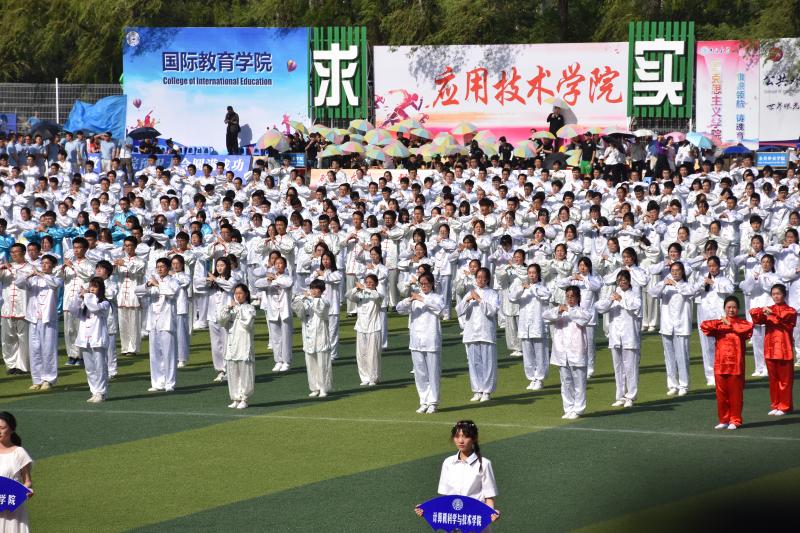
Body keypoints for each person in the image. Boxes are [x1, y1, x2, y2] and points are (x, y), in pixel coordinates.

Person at [414, 420, 500, 523]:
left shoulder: (484, 464)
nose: (460, 441)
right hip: (454, 521)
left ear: (474, 438)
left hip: (475, 520)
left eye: (465, 436)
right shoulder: (448, 462)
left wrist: (492, 513)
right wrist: (426, 509)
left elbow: (489, 497)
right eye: (457, 436)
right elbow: (446, 499)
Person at [700, 295, 753, 429]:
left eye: (734, 307)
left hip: (736, 364)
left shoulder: (743, 323)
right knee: (721, 394)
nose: (731, 310)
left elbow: (747, 329)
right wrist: (720, 322)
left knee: (735, 394)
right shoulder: (719, 323)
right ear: (724, 308)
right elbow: (704, 326)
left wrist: (730, 325)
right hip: (720, 363)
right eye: (729, 307)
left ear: (738, 309)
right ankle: (724, 419)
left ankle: (735, 420)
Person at [396, 272, 445, 413]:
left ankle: (433, 402)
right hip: (416, 340)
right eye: (421, 284)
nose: (423, 286)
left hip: (431, 340)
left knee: (433, 373)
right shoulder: (415, 298)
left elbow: (440, 310)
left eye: (426, 284)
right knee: (420, 373)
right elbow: (399, 309)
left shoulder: (437, 297)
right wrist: (409, 300)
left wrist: (422, 299)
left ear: (432, 284)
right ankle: (424, 401)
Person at [543, 285, 593, 419]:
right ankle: (569, 407)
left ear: (578, 298)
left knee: (579, 382)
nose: (570, 299)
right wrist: (558, 311)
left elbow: (584, 320)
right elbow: (545, 316)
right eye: (568, 297)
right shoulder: (560, 310)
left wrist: (569, 310)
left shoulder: (582, 311)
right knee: (566, 382)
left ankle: (578, 409)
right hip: (561, 352)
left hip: (577, 351)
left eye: (573, 297)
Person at [648, 261, 696, 396]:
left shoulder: (686, 285)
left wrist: (675, 284)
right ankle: (672, 384)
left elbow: (691, 292)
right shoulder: (665, 285)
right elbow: (652, 293)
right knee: (669, 357)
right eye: (672, 271)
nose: (675, 273)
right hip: (667, 325)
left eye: (677, 270)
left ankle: (684, 385)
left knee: (682, 356)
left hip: (681, 326)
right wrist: (663, 284)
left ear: (682, 272)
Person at [596, 270, 642, 407]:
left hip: (629, 335)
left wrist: (621, 299)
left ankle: (630, 396)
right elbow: (600, 308)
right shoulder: (613, 294)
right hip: (615, 336)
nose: (621, 283)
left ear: (629, 281)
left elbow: (635, 307)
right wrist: (611, 300)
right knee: (618, 367)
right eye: (619, 280)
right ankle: (620, 395)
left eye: (624, 280)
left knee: (630, 367)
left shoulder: (634, 294)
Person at [750, 284, 797, 416]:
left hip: (784, 349)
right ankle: (776, 404)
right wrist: (762, 311)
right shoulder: (769, 309)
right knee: (773, 379)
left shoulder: (791, 311)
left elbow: (786, 321)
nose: (776, 296)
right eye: (773, 294)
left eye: (778, 293)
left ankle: (785, 406)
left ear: (784, 295)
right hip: (770, 348)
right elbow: (754, 315)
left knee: (785, 380)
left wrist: (772, 313)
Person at [17, 254, 62, 391]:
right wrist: (29, 275)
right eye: (42, 263)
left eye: (47, 263)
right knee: (35, 349)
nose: (44, 265)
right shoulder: (33, 279)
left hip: (48, 319)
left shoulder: (56, 278)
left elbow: (55, 284)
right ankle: (37, 379)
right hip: (34, 318)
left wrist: (42, 274)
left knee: (48, 349)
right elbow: (18, 283)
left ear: (53, 265)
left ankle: (48, 379)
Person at [456, 267, 500, 403]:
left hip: (486, 332)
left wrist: (479, 300)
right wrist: (468, 299)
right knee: (474, 363)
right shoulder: (470, 293)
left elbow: (492, 311)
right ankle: (477, 390)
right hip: (471, 333)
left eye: (483, 277)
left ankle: (487, 391)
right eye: (478, 277)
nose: (480, 280)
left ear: (487, 279)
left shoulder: (492, 294)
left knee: (488, 362)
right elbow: (459, 310)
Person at [507, 264, 551, 390]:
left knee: (540, 353)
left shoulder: (542, 287)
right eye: (529, 273)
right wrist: (522, 288)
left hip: (538, 325)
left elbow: (547, 295)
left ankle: (540, 378)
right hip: (525, 326)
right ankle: (532, 378)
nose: (531, 275)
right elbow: (512, 298)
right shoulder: (522, 288)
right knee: (528, 355)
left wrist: (532, 288)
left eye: (534, 273)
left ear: (538, 274)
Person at [70, 276, 111, 403]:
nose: (92, 289)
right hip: (84, 339)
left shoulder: (104, 303)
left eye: (95, 286)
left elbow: (94, 308)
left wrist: (86, 296)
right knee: (89, 368)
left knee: (100, 367)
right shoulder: (86, 302)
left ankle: (101, 392)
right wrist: (79, 298)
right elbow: (73, 311)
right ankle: (94, 391)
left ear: (101, 289)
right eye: (90, 286)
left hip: (97, 338)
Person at [217, 284, 257, 409]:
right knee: (233, 373)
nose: (238, 296)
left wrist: (237, 309)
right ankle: (235, 398)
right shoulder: (232, 308)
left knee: (245, 373)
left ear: (246, 294)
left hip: (244, 345)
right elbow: (221, 321)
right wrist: (227, 309)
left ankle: (244, 398)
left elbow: (247, 324)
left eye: (240, 293)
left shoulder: (250, 308)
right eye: (236, 293)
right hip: (232, 345)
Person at [143, 257, 179, 393]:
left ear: (168, 268)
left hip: (167, 321)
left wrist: (158, 285)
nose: (159, 269)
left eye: (162, 266)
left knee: (168, 353)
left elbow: (172, 293)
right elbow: (139, 292)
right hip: (153, 322)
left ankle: (170, 382)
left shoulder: (174, 281)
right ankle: (158, 382)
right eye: (158, 266)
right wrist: (148, 285)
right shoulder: (152, 281)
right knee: (154, 354)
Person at [292, 279, 332, 398]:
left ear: (322, 290)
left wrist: (310, 299)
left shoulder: (325, 301)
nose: (314, 291)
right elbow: (298, 311)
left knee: (322, 363)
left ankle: (324, 388)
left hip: (321, 336)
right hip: (308, 336)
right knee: (311, 363)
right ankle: (314, 388)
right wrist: (301, 298)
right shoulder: (307, 301)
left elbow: (320, 311)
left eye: (316, 289)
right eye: (312, 288)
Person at [254, 255, 294, 372]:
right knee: (276, 338)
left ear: (285, 265)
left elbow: (288, 284)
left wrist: (275, 279)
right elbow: (257, 284)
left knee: (286, 337)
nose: (278, 265)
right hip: (273, 312)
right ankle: (278, 361)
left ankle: (286, 361)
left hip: (285, 311)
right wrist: (268, 279)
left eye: (281, 263)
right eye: (276, 263)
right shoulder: (269, 279)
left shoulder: (287, 277)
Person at [345, 274, 384, 387]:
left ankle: (373, 378)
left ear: (376, 284)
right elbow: (348, 295)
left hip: (373, 327)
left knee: (373, 354)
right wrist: (356, 288)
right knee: (361, 354)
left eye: (371, 283)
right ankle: (365, 377)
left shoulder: (378, 295)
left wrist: (364, 288)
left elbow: (376, 297)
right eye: (367, 282)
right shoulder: (360, 295)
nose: (369, 284)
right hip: (361, 327)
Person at [0, 411, 33, 533]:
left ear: (11, 430)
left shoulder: (19, 453)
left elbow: (27, 481)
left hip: (13, 511)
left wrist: (24, 491)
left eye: (2, 428)